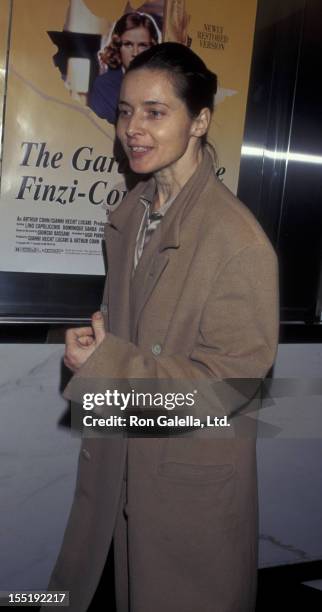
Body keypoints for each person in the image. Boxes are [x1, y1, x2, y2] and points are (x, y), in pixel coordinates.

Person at [46, 43, 279, 612]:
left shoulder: (238, 242)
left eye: (155, 112)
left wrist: (105, 366)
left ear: (199, 120)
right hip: (118, 467)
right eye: (126, 111)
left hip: (182, 485)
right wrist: (100, 346)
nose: (133, 129)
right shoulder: (132, 215)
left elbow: (229, 387)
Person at [88, 12, 161, 124]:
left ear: (152, 48)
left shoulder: (160, 85)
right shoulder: (103, 86)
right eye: (128, 44)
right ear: (117, 47)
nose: (135, 53)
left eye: (142, 45)